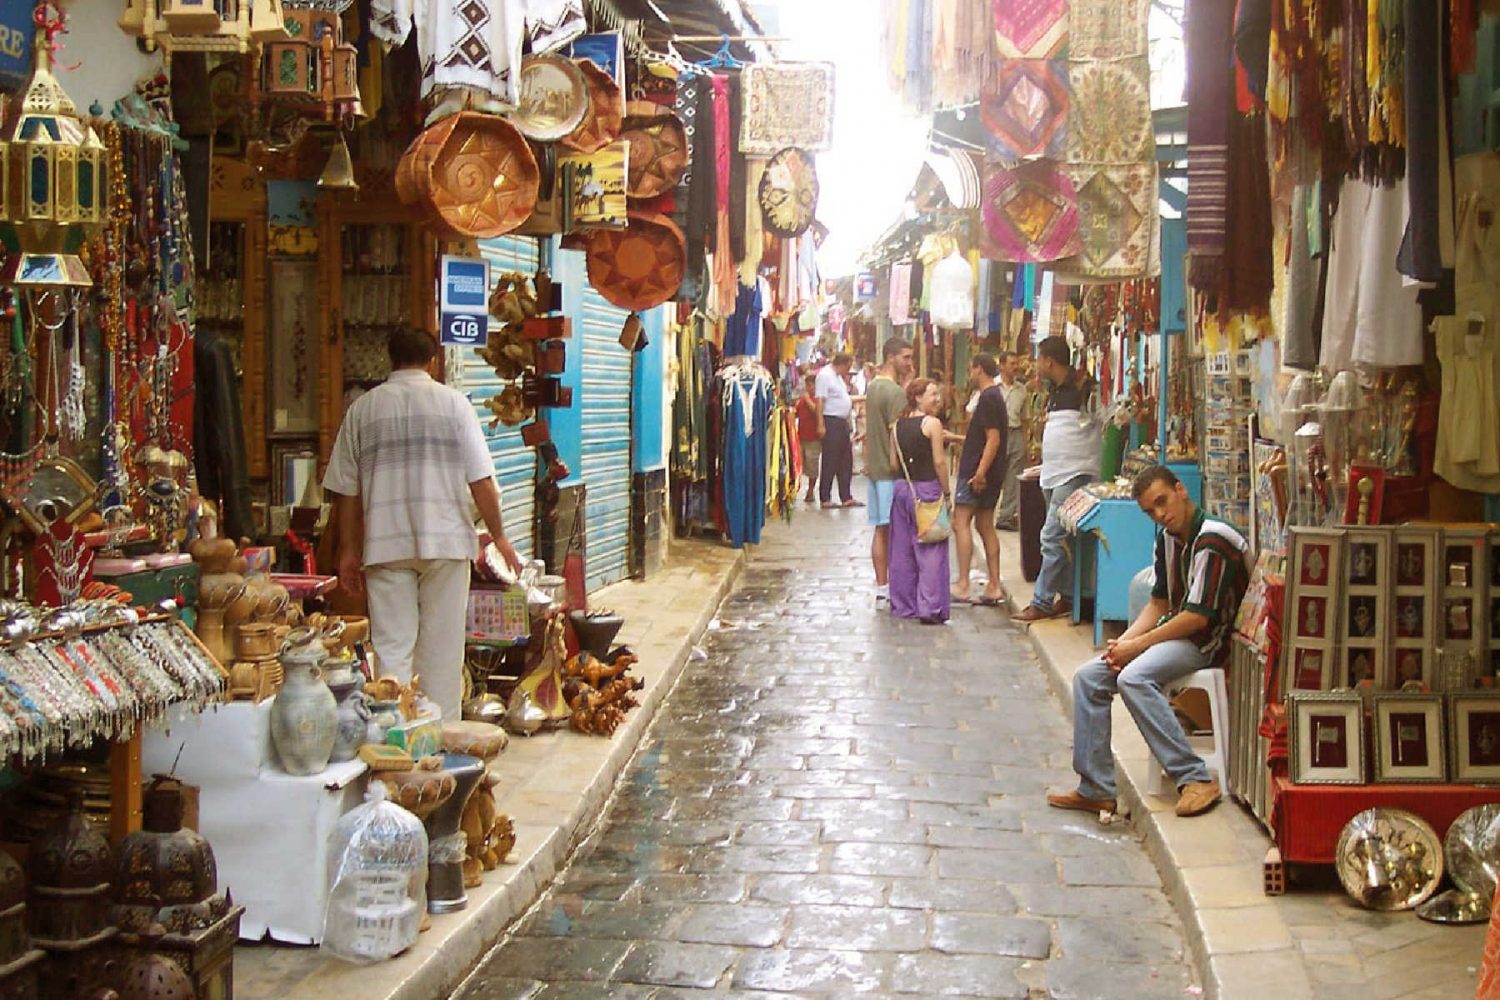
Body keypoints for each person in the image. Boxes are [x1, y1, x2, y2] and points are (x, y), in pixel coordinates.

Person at [323, 327, 524, 723]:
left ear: (390, 359)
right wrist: (499, 536)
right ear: (434, 361)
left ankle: (394, 741)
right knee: (443, 651)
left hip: (386, 545)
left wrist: (348, 551)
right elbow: (481, 480)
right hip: (447, 544)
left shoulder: (364, 409)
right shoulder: (454, 405)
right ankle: (442, 744)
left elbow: (346, 491)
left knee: (392, 649)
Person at [1047, 465, 1249, 818]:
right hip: (1179, 634)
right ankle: (1096, 787)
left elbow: (1197, 618)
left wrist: (1136, 648)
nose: (1160, 514)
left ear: (1180, 491)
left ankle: (1194, 777)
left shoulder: (1213, 539)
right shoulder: (1168, 539)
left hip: (1209, 643)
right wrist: (1121, 644)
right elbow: (1159, 603)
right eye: (1150, 511)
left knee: (1134, 678)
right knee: (1089, 677)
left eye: (1163, 502)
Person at [1013, 336, 1103, 623]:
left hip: (1073, 474)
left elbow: (1104, 419)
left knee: (1051, 537)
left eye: (1039, 359)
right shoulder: (1055, 391)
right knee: (1064, 541)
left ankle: (1041, 601)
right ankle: (1066, 597)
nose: (1037, 365)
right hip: (1053, 473)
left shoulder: (1085, 388)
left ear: (1049, 361)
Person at [888, 378, 951, 624]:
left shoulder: (896, 426)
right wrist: (946, 492)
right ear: (917, 397)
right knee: (931, 547)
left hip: (902, 489)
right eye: (932, 394)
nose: (937, 399)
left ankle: (904, 605)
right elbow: (939, 462)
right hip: (926, 489)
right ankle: (930, 606)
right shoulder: (932, 424)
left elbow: (894, 464)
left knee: (902, 549)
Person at [951, 355, 1008, 607]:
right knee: (985, 525)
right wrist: (955, 437)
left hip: (978, 472)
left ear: (979, 369)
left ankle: (963, 583)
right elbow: (985, 439)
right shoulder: (995, 397)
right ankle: (994, 584)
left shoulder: (987, 398)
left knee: (960, 521)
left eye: (972, 369)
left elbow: (992, 439)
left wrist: (980, 473)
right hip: (990, 471)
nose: (970, 375)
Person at [864, 338, 915, 605]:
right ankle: (893, 584)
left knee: (880, 529)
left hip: (875, 468)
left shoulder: (873, 386)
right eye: (905, 357)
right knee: (892, 531)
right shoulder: (894, 393)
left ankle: (881, 585)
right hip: (889, 471)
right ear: (891, 357)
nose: (909, 363)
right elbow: (899, 432)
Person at [814, 353, 860, 508]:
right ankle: (825, 497)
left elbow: (842, 398)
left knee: (845, 459)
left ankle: (846, 496)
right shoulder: (825, 376)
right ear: (843, 363)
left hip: (841, 421)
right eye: (848, 366)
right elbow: (820, 400)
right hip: (830, 420)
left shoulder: (838, 377)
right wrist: (820, 423)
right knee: (830, 459)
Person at [995, 351, 1028, 531]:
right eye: (1012, 364)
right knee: (994, 474)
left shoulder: (1021, 390)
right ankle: (985, 510)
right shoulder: (991, 387)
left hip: (1015, 433)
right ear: (1001, 365)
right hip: (995, 433)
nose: (1015, 367)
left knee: (1013, 476)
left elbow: (1025, 418)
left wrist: (1026, 442)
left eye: (1016, 364)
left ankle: (1005, 516)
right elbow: (973, 409)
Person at [794, 371, 821, 503]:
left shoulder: (818, 398)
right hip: (801, 436)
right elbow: (796, 413)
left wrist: (807, 399)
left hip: (813, 437)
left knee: (812, 465)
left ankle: (811, 490)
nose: (809, 388)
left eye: (811, 385)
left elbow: (817, 411)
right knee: (799, 463)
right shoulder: (802, 400)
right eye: (807, 385)